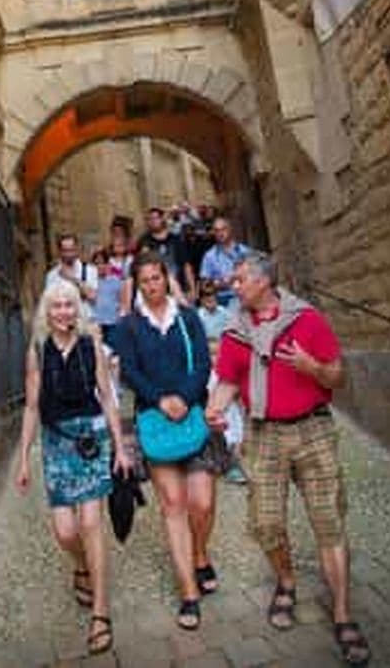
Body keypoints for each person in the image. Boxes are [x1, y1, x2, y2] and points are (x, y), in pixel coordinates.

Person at [206, 252, 371, 666]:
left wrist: (311, 366)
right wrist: (216, 408)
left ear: (263, 282)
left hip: (312, 429)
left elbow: (337, 376)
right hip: (263, 434)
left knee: (328, 521)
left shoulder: (307, 320)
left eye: (241, 278)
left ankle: (343, 613)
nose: (233, 284)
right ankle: (286, 581)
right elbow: (228, 379)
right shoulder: (235, 329)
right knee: (265, 522)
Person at [16, 279, 130, 656]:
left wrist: (120, 447)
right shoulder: (37, 350)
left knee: (91, 523)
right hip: (56, 443)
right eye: (56, 306)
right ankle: (81, 564)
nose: (63, 312)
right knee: (66, 532)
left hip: (92, 440)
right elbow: (32, 407)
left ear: (76, 310)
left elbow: (108, 399)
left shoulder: (89, 344)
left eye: (69, 305)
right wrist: (23, 459)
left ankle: (100, 611)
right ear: (46, 313)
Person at [114, 250, 218, 631]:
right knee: (173, 505)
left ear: (166, 278)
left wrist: (185, 398)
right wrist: (161, 399)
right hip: (154, 421)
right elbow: (130, 372)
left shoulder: (188, 318)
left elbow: (204, 364)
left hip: (192, 415)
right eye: (144, 282)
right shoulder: (129, 327)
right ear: (137, 285)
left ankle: (201, 553)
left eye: (156, 279)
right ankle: (188, 592)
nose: (152, 287)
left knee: (202, 504)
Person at [196, 281, 246, 485]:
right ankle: (226, 462)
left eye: (213, 297)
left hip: (224, 360)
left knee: (235, 424)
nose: (210, 301)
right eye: (206, 298)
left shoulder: (225, 314)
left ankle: (234, 461)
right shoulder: (198, 317)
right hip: (210, 364)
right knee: (221, 427)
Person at [131, 206, 194, 304]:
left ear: (162, 219)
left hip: (180, 289)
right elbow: (139, 268)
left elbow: (186, 265)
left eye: (155, 218)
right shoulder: (144, 242)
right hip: (157, 292)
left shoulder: (175, 239)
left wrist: (192, 288)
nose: (152, 221)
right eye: (149, 219)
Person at [198, 215, 250, 306]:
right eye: (217, 230)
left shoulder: (244, 251)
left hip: (246, 295)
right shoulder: (209, 256)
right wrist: (220, 284)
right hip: (223, 301)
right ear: (213, 233)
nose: (220, 233)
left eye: (223, 229)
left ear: (230, 229)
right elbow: (204, 285)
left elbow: (255, 275)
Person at [45, 232, 97, 321]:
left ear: (77, 249)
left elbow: (93, 297)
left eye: (71, 250)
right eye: (65, 250)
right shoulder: (52, 276)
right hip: (63, 323)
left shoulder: (89, 270)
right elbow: (49, 303)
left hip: (87, 321)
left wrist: (73, 279)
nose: (69, 254)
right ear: (60, 251)